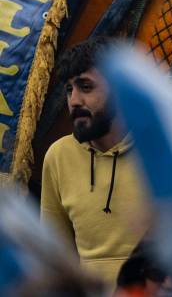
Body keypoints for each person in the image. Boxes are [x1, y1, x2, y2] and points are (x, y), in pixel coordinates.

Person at [40, 42, 150, 287]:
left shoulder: (156, 149)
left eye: (86, 87)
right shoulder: (58, 156)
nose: (74, 101)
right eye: (69, 90)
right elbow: (54, 259)